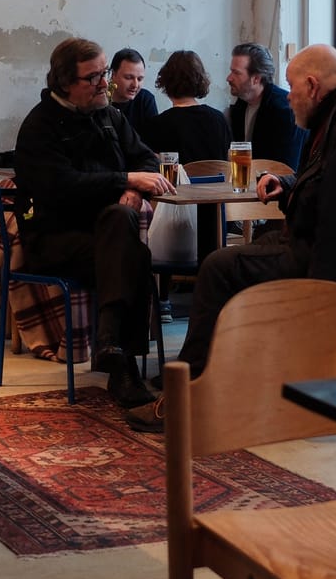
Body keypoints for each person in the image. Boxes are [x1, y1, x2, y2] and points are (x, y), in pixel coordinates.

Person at [126, 43, 336, 431]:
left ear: (312, 86)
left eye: (293, 86)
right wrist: (290, 184)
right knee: (240, 256)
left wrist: (319, 311)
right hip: (333, 250)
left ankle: (187, 399)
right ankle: (223, 380)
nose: (288, 96)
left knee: (218, 266)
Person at [13, 38, 174, 409]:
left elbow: (147, 160)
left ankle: (113, 351)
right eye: (94, 77)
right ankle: (121, 364)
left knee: (121, 227)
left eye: (105, 73)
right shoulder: (40, 127)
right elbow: (62, 187)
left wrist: (132, 189)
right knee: (131, 255)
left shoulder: (109, 115)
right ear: (65, 83)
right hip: (55, 238)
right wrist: (125, 180)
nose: (106, 84)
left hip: (106, 233)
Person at [140, 50, 231, 163]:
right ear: (201, 80)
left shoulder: (157, 125)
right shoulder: (219, 119)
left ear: (166, 81)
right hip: (220, 176)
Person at [227, 42, 305, 169]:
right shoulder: (240, 106)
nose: (229, 78)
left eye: (236, 73)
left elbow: (286, 168)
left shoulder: (284, 111)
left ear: (256, 79)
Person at [109, 47, 159, 131]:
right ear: (113, 75)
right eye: (129, 77)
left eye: (140, 79)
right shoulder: (99, 100)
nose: (135, 85)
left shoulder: (145, 99)